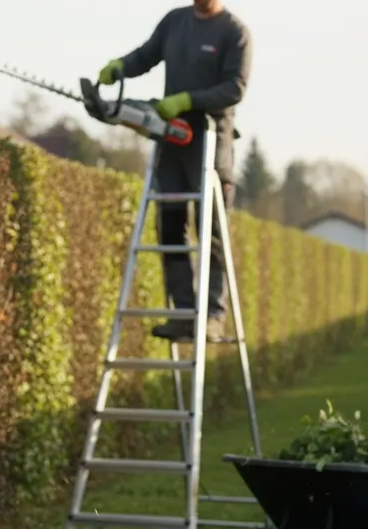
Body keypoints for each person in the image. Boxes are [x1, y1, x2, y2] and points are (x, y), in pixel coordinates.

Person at [98, 0, 253, 342]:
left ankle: (212, 315)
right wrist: (122, 66)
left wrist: (187, 100)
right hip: (172, 139)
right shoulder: (174, 21)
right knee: (169, 226)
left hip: (211, 142)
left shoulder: (234, 32)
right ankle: (183, 312)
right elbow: (147, 55)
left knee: (209, 231)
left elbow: (234, 88)